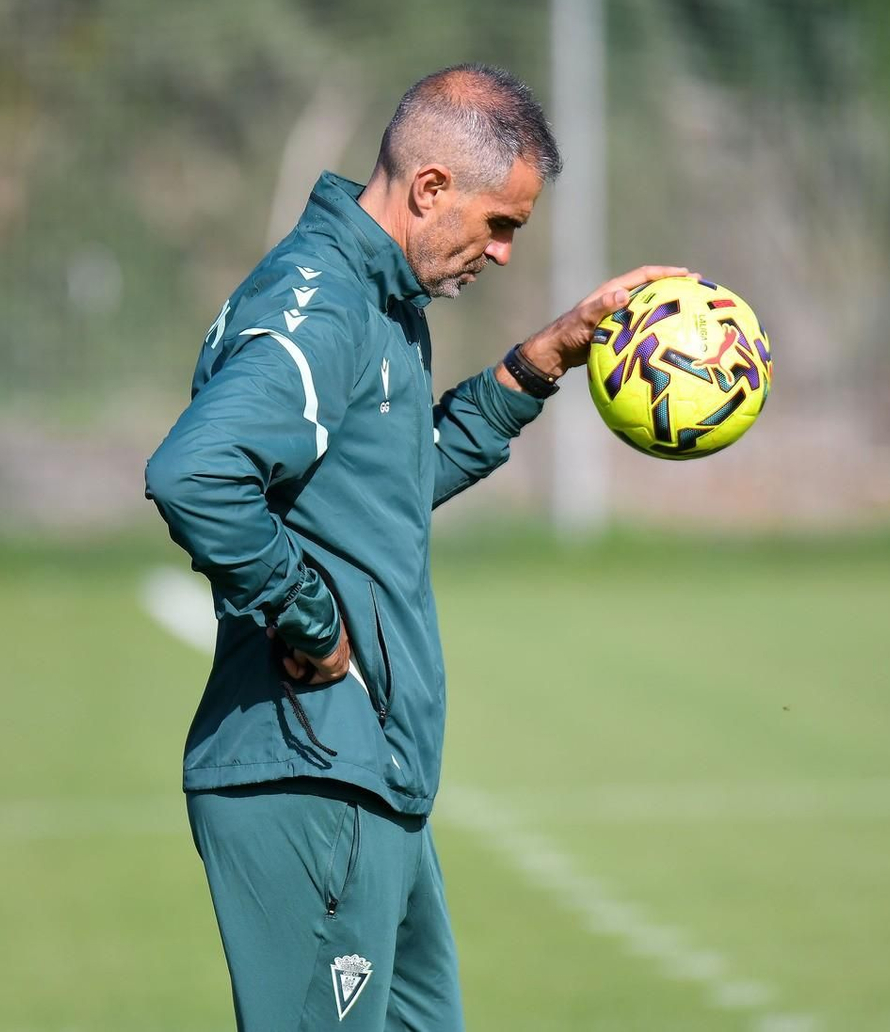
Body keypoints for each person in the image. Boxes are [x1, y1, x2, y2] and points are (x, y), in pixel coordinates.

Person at [145, 64, 689, 1029]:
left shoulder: (378, 301)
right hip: (309, 769)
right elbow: (197, 471)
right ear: (431, 187)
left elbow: (388, 486)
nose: (506, 252)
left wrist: (541, 360)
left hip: (371, 771)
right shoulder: (322, 305)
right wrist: (307, 617)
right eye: (502, 223)